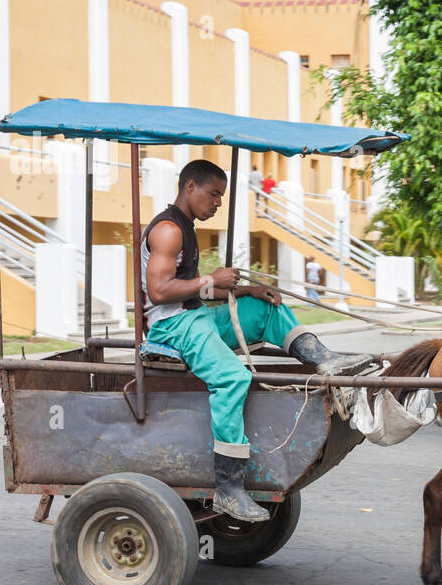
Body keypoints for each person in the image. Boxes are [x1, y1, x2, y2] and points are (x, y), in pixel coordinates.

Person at [143, 159, 370, 523]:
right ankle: (229, 489)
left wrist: (245, 290)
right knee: (232, 378)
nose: (217, 202)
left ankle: (322, 358)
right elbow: (158, 291)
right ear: (190, 187)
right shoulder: (169, 229)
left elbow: (189, 288)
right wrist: (211, 281)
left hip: (195, 314)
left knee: (263, 308)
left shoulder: (186, 225)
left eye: (221, 196)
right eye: (213, 194)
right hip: (174, 326)